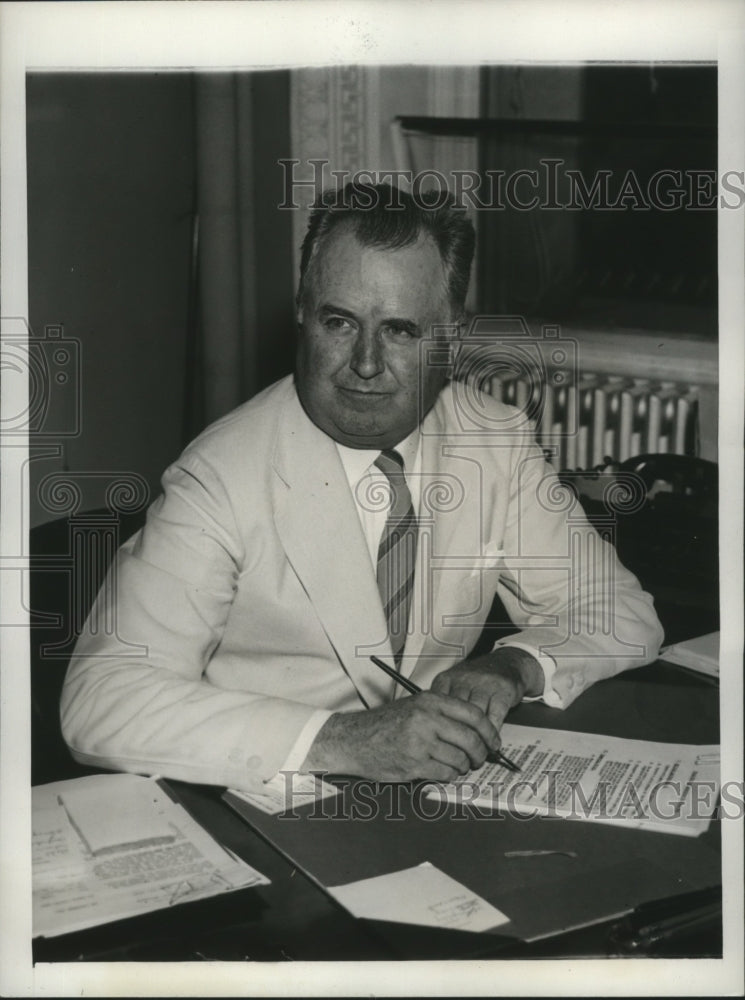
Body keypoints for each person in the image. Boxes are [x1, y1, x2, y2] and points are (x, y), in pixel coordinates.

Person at [61, 183, 663, 791]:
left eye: (401, 329)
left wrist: (515, 666)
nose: (367, 363)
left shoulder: (495, 439)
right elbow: (101, 699)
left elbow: (620, 611)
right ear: (301, 310)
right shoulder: (219, 473)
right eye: (339, 322)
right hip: (261, 795)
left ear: (451, 332)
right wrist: (347, 740)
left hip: (429, 796)